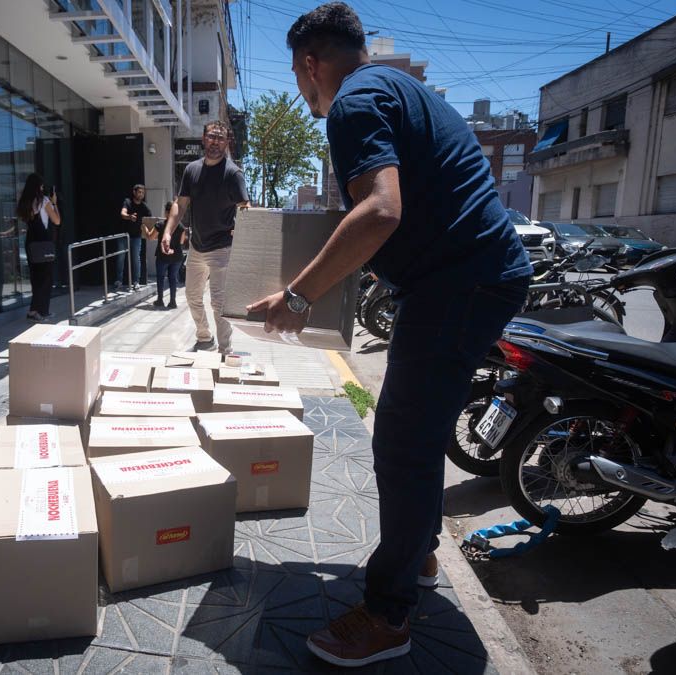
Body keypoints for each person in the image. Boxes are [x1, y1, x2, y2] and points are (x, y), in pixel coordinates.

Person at [246, 4, 531, 666]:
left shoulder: (353, 104)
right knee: (417, 432)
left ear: (312, 64)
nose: (299, 89)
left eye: (296, 74)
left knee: (402, 438)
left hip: (460, 282)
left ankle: (388, 612)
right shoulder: (395, 89)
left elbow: (381, 209)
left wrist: (298, 295)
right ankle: (418, 553)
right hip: (468, 277)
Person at [161, 121, 251, 353]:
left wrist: (242, 236)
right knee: (192, 297)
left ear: (226, 143)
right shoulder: (192, 170)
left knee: (218, 303)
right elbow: (180, 205)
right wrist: (168, 232)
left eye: (220, 138)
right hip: (197, 247)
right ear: (203, 139)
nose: (215, 142)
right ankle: (204, 337)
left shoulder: (233, 174)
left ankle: (225, 349)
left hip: (222, 248)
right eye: (211, 136)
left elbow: (246, 208)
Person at [16, 173, 61, 322]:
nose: (43, 188)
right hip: (43, 242)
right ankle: (41, 311)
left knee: (36, 278)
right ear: (38, 187)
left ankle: (34, 311)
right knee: (46, 278)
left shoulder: (25, 202)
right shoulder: (44, 201)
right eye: (42, 186)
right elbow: (57, 221)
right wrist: (54, 203)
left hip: (30, 242)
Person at [116, 184, 150, 290]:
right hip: (123, 235)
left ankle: (136, 281)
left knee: (136, 258)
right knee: (121, 258)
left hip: (136, 236)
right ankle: (119, 280)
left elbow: (150, 220)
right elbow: (122, 213)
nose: (141, 195)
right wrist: (129, 217)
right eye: (139, 192)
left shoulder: (144, 207)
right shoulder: (127, 202)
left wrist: (147, 230)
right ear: (134, 192)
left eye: (143, 193)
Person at [154, 200, 186, 309]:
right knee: (173, 278)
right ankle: (173, 302)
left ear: (167, 212)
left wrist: (144, 228)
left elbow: (150, 236)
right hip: (177, 257)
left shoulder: (160, 225)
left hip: (162, 256)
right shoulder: (181, 227)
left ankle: (160, 300)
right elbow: (181, 242)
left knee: (160, 278)